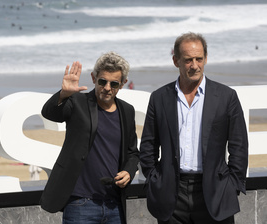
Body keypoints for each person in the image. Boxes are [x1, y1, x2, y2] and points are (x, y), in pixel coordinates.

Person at [140, 32, 248, 224]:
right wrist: (153, 180)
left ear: (206, 58)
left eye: (199, 59)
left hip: (215, 193)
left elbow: (239, 146)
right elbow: (148, 145)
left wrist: (232, 185)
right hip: (172, 194)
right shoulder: (159, 98)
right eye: (188, 60)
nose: (195, 65)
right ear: (176, 61)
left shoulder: (226, 96)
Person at [40, 52, 139, 224]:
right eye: (102, 81)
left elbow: (132, 153)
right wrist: (63, 94)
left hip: (114, 204)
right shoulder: (77, 102)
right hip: (80, 203)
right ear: (94, 78)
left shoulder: (127, 110)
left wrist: (129, 172)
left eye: (114, 83)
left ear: (122, 84)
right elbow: (50, 113)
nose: (107, 87)